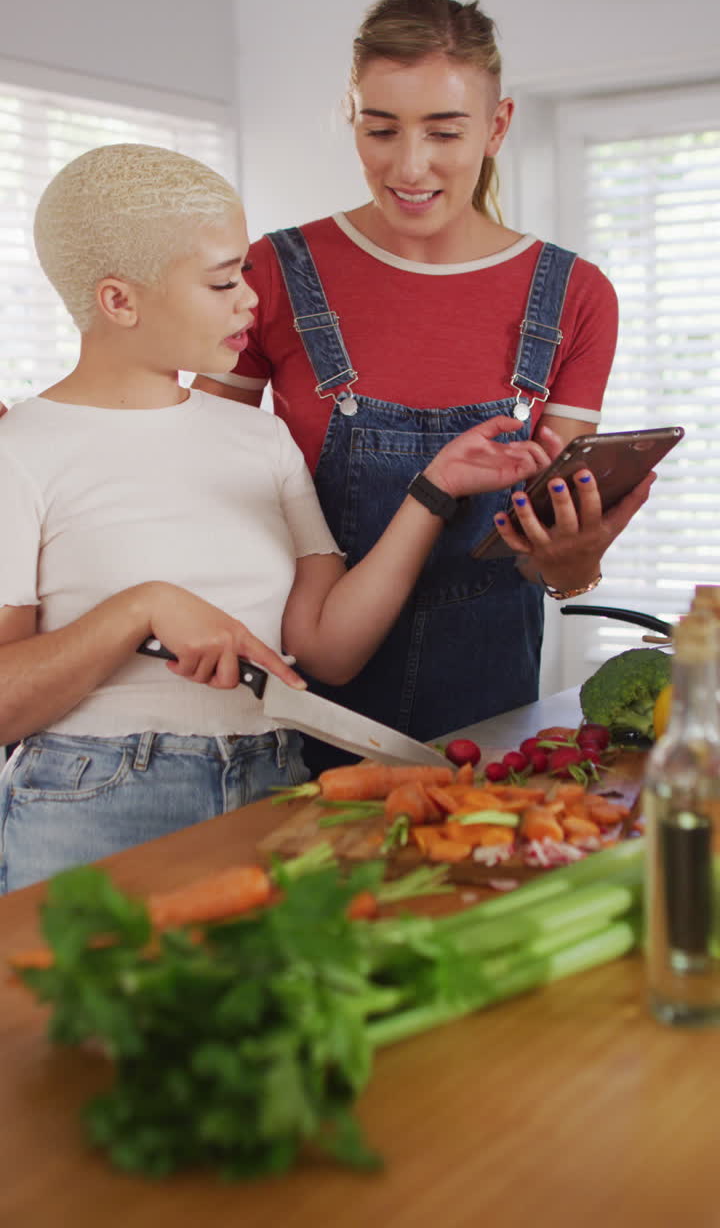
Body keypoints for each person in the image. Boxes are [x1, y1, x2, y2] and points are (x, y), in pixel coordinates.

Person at [0, 142, 552, 893]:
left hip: (273, 783)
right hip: (93, 799)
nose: (250, 302)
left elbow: (327, 651)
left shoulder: (256, 435)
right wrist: (144, 608)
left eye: (247, 277)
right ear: (119, 301)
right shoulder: (20, 449)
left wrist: (434, 490)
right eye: (223, 281)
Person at [194, 0, 654, 774]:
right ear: (352, 117)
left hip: (486, 708)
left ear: (498, 125)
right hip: (288, 695)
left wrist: (573, 564)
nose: (410, 166)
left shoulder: (575, 296)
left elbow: (540, 552)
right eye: (381, 129)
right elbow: (201, 477)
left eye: (445, 131)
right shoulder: (271, 271)